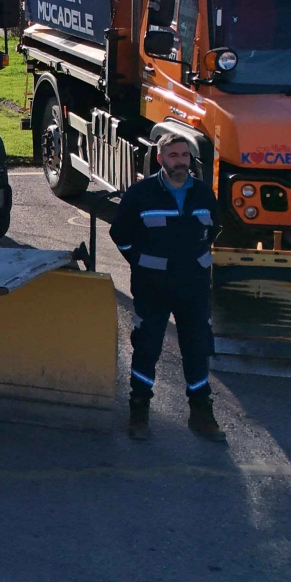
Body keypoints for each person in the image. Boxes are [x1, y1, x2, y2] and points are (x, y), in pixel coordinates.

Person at [109, 131, 227, 444]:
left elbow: (213, 228)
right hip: (153, 287)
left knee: (197, 348)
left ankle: (202, 414)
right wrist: (141, 262)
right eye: (173, 156)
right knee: (147, 347)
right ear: (161, 159)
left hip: (194, 286)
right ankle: (139, 412)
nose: (180, 162)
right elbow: (120, 233)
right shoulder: (141, 194)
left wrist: (193, 261)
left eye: (185, 156)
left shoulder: (203, 193)